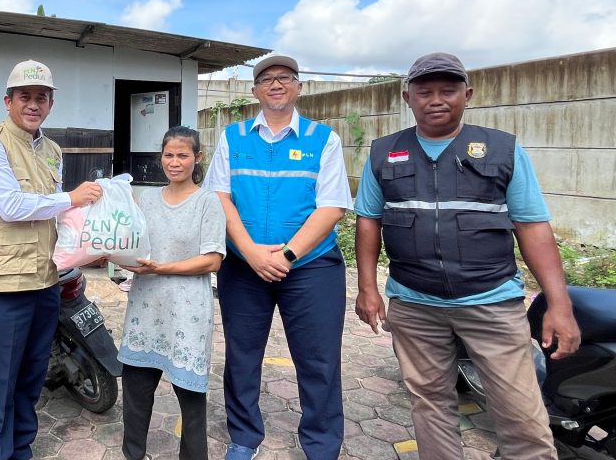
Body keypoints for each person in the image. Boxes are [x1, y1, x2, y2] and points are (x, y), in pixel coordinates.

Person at [353, 52, 580, 460]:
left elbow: (532, 225)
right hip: (414, 303)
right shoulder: (384, 152)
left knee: (522, 416)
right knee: (430, 405)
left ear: (468, 94)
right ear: (408, 98)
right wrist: (366, 288)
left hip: (491, 302)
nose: (436, 100)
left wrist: (559, 304)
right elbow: (368, 220)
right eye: (424, 92)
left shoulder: (502, 149)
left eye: (448, 90)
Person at [203, 54, 353, 460]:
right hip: (243, 266)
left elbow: (333, 206)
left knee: (319, 360)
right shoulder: (233, 137)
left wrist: (286, 255)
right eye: (266, 79)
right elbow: (219, 197)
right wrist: (250, 252)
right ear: (254, 91)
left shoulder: (323, 138)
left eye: (284, 78)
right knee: (242, 356)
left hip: (310, 267)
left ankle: (321, 445)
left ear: (299, 86)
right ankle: (244, 436)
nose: (275, 84)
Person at [0, 59, 103, 460]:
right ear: (8, 101)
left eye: (41, 97)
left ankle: (20, 447)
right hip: (6, 283)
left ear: (51, 104)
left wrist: (99, 232)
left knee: (31, 375)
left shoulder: (53, 150)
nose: (33, 104)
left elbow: (57, 213)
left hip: (47, 278)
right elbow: (10, 205)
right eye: (24, 96)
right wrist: (71, 198)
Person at [119, 126, 225, 460]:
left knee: (191, 399)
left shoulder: (208, 202)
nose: (174, 162)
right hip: (146, 310)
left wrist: (161, 268)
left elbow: (212, 260)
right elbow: (127, 239)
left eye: (182, 155)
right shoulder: (146, 199)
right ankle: (132, 454)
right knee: (135, 394)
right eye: (168, 155)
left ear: (198, 158)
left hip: (187, 313)